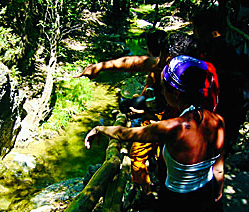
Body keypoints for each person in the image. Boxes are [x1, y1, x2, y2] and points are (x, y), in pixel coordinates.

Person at [84, 55, 225, 212]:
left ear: (175, 93)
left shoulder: (172, 127)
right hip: (203, 194)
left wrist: (99, 128)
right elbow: (219, 168)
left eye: (163, 86)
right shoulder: (217, 120)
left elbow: (126, 134)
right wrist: (217, 197)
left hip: (174, 200)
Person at [76, 31, 207, 196]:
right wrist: (99, 66)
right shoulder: (193, 79)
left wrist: (99, 129)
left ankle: (147, 192)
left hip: (178, 195)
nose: (161, 68)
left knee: (143, 157)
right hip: (198, 188)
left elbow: (129, 134)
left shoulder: (176, 124)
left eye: (164, 63)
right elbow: (135, 62)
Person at [192, 8, 249, 153]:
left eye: (195, 27)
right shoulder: (227, 45)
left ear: (202, 28)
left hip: (226, 106)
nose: (194, 32)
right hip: (235, 104)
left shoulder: (214, 50)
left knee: (215, 150)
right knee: (221, 149)